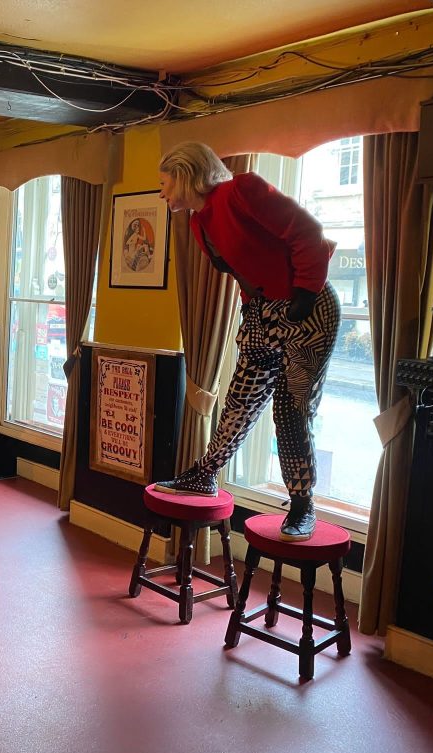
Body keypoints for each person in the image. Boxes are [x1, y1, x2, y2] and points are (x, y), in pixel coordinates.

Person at [154, 141, 340, 542]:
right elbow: (245, 270)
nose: (163, 191)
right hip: (261, 313)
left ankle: (302, 503)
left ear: (186, 174)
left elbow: (307, 232)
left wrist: (304, 291)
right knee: (240, 400)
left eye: (165, 182)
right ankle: (205, 474)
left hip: (306, 308)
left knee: (291, 410)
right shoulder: (198, 223)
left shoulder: (241, 190)